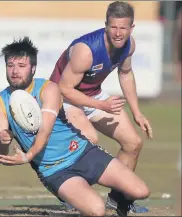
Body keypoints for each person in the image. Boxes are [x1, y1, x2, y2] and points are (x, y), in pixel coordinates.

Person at [0, 37, 150, 217]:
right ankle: (76, 194)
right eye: (10, 65)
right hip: (54, 170)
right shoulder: (0, 101)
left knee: (141, 191)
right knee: (96, 210)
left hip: (83, 152)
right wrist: (3, 139)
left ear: (33, 68)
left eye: (21, 65)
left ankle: (117, 205)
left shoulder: (48, 88)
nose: (15, 71)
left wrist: (28, 155)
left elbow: (45, 130)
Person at [49, 1, 152, 213]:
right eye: (113, 27)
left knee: (133, 143)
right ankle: (72, 194)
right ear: (105, 25)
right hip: (64, 99)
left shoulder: (129, 45)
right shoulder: (86, 51)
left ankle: (117, 199)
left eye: (123, 28)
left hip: (93, 95)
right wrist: (101, 105)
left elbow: (125, 74)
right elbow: (64, 88)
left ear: (132, 28)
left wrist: (137, 112)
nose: (118, 33)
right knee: (91, 139)